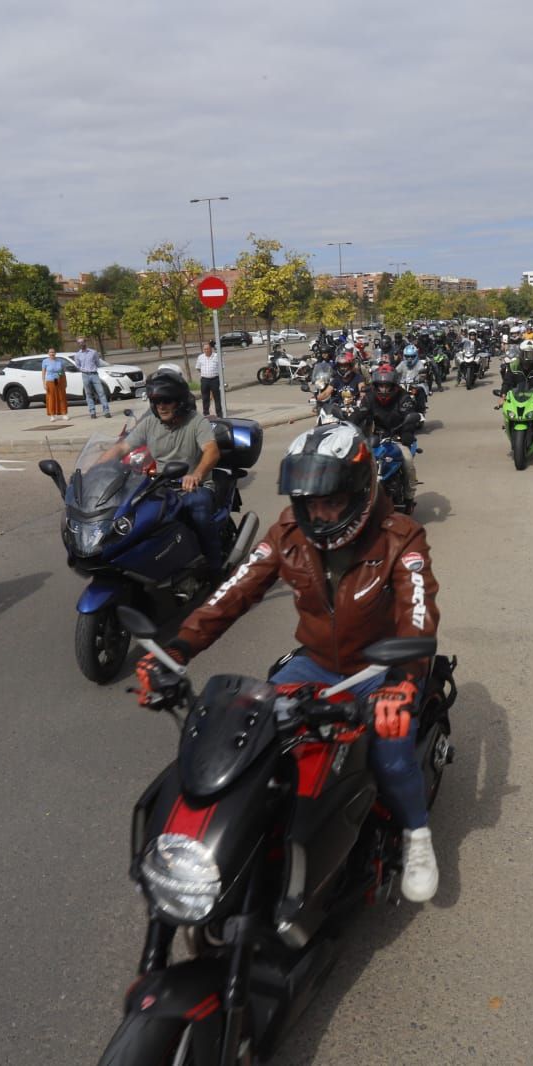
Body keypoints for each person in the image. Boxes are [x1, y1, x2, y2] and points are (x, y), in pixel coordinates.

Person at [134, 421, 441, 902]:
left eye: (332, 501)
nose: (319, 514)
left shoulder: (400, 537)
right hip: (315, 664)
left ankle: (416, 834)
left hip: (380, 667)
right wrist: (177, 649)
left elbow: (417, 613)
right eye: (309, 502)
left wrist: (403, 681)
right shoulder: (286, 532)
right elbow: (231, 594)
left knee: (390, 743)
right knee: (255, 737)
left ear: (360, 492)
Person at [106, 370, 225, 574]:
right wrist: (97, 470)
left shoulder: (197, 422)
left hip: (194, 486)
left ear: (179, 401)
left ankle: (215, 564)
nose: (161, 406)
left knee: (198, 508)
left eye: (167, 400)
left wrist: (196, 474)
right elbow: (121, 448)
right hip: (160, 486)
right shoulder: (150, 424)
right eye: (157, 401)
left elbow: (212, 452)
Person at [361, 364, 422, 495]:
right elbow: (358, 415)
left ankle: (409, 496)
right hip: (376, 439)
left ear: (394, 386)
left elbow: (410, 416)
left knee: (407, 461)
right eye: (380, 386)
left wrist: (406, 433)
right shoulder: (369, 397)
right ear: (376, 385)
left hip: (398, 437)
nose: (383, 389)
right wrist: (347, 426)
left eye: (387, 386)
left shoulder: (403, 397)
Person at [500, 338, 533, 433]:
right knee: (506, 408)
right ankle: (507, 423)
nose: (531, 356)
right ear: (521, 353)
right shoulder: (513, 365)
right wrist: (502, 395)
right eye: (528, 353)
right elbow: (507, 382)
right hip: (515, 394)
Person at [73, 337, 111, 420]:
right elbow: (78, 365)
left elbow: (97, 362)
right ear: (78, 344)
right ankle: (92, 412)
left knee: (101, 392)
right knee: (88, 394)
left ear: (85, 342)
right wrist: (84, 370)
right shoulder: (77, 355)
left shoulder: (93, 352)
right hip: (85, 375)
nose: (81, 344)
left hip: (94, 375)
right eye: (79, 343)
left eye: (82, 342)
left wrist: (92, 369)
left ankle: (106, 411)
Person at [196, 340, 223, 417]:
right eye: (205, 349)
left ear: (211, 349)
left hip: (214, 379)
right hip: (205, 380)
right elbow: (198, 368)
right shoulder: (200, 357)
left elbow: (221, 368)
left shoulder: (217, 356)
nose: (206, 350)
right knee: (205, 397)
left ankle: (219, 414)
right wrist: (205, 373)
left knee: (217, 397)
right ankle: (206, 413)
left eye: (207, 349)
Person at [41, 347, 69, 421]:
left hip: (59, 380)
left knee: (61, 397)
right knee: (51, 398)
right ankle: (52, 415)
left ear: (55, 353)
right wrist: (44, 383)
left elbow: (62, 372)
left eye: (53, 352)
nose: (52, 353)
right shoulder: (45, 361)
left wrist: (65, 381)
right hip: (50, 381)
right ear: (48, 353)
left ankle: (64, 414)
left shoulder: (59, 361)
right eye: (50, 352)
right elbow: (43, 373)